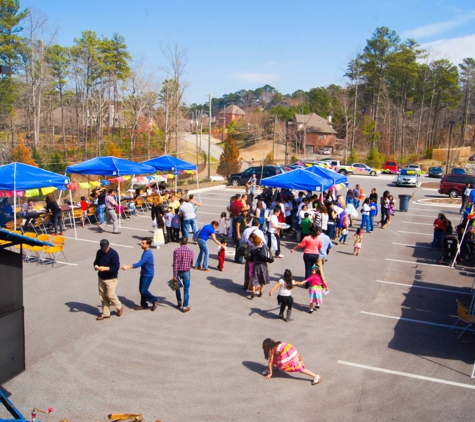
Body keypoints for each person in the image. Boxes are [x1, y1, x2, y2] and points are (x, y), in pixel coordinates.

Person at [121, 237, 158, 311]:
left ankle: (154, 300)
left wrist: (128, 267)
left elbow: (139, 263)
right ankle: (143, 304)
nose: (141, 244)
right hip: (144, 273)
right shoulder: (146, 251)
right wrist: (142, 270)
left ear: (148, 245)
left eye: (143, 243)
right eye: (141, 243)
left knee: (143, 290)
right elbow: (144, 264)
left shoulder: (147, 254)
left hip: (148, 275)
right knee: (141, 289)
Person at [93, 239, 123, 320]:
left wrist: (105, 268)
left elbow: (116, 267)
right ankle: (106, 313)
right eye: (103, 248)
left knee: (110, 295)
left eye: (106, 248)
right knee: (103, 295)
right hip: (101, 277)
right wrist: (96, 266)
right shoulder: (99, 252)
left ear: (109, 245)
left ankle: (119, 307)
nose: (105, 250)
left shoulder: (113, 254)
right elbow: (96, 262)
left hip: (111, 278)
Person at [173, 237, 194, 312]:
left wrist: (174, 275)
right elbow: (191, 262)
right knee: (186, 289)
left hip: (178, 271)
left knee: (176, 287)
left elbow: (175, 263)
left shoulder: (176, 251)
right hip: (186, 271)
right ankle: (185, 306)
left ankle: (179, 301)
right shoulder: (191, 251)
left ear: (180, 242)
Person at [248, 232, 271, 298]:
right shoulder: (262, 243)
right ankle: (261, 290)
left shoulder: (252, 246)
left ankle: (253, 291)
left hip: (256, 263)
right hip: (263, 262)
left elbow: (250, 254)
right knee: (262, 275)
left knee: (255, 276)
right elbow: (268, 249)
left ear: (251, 239)